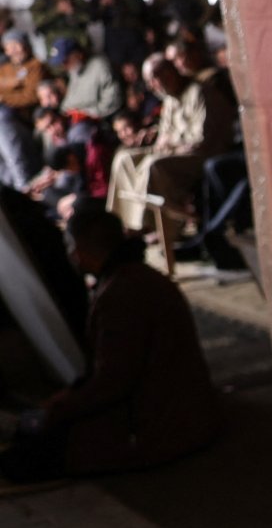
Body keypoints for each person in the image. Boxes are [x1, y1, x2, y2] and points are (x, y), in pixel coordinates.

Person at [0, 209, 220, 483]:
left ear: (79, 249)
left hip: (158, 426)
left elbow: (113, 383)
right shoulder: (138, 277)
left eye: (70, 246)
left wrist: (57, 410)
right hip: (185, 413)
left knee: (25, 457)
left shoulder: (121, 293)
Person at [107, 53, 235, 234]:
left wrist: (170, 144)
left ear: (168, 74)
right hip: (174, 150)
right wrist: (161, 141)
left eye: (153, 80)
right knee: (124, 158)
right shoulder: (169, 99)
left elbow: (201, 140)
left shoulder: (199, 93)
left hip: (202, 153)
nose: (151, 86)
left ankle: (165, 226)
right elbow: (164, 137)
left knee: (154, 165)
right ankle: (129, 223)